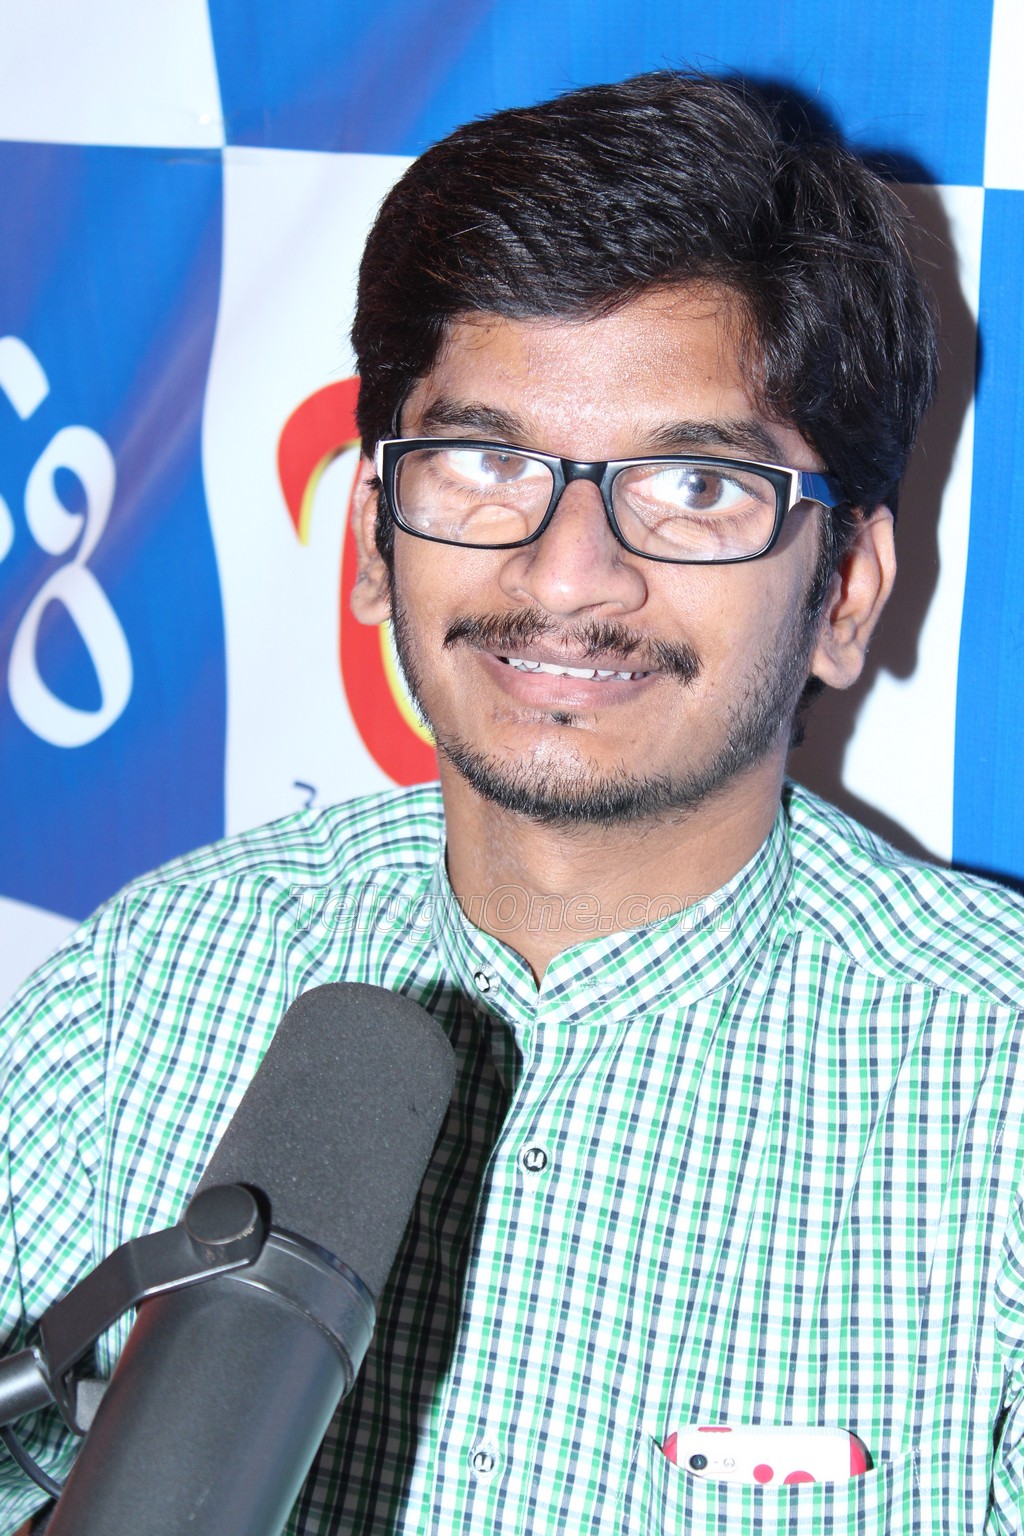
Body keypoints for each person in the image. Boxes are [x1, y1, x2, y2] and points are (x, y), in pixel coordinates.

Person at [2, 68, 1022, 1536]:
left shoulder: (995, 1090)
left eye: (693, 488)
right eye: (486, 463)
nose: (566, 574)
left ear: (846, 591)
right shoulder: (149, 987)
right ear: (374, 539)